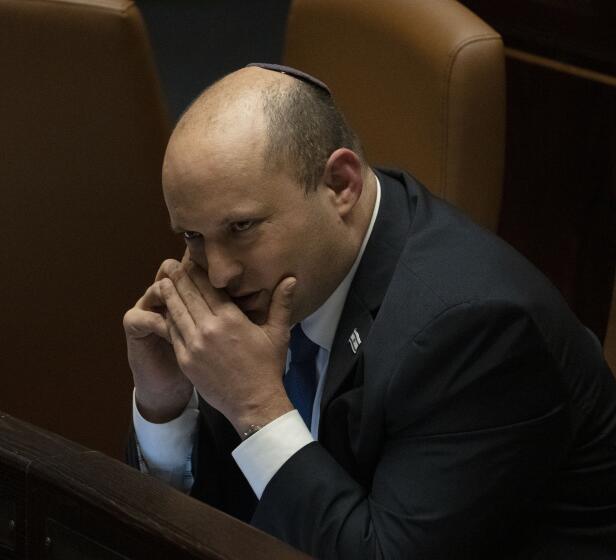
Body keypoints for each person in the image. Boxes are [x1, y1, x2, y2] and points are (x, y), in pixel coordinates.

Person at [122, 64, 616, 559]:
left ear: (341, 184)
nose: (220, 273)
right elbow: (238, 508)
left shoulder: (476, 330)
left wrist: (255, 409)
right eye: (192, 235)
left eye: (242, 227)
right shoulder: (266, 278)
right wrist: (165, 406)